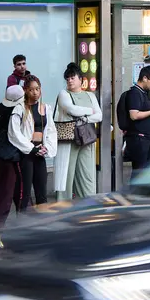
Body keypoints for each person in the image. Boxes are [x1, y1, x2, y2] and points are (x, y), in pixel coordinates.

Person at [52, 63, 102, 201]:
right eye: (67, 78)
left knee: (87, 173)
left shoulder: (90, 95)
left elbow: (100, 116)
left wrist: (84, 118)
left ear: (81, 79)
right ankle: (63, 205)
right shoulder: (64, 94)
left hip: (86, 137)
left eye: (72, 77)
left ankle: (88, 204)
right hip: (68, 138)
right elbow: (71, 109)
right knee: (66, 174)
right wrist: (90, 112)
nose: (69, 80)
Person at [9, 75, 57, 212]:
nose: (35, 92)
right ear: (25, 90)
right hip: (26, 154)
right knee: (24, 193)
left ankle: (42, 224)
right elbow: (14, 132)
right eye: (31, 89)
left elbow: (51, 131)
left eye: (37, 89)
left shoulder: (46, 108)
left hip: (40, 153)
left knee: (42, 191)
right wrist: (31, 149)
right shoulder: (20, 108)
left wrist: (46, 148)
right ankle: (23, 223)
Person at [0, 85, 24, 230]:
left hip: (1, 155)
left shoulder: (3, 111)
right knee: (12, 189)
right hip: (10, 155)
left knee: (7, 188)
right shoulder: (15, 113)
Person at [124, 65, 150, 179]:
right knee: (139, 173)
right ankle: (134, 196)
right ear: (145, 78)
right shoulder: (135, 93)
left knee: (146, 173)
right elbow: (134, 115)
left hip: (147, 137)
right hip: (139, 139)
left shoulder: (144, 93)